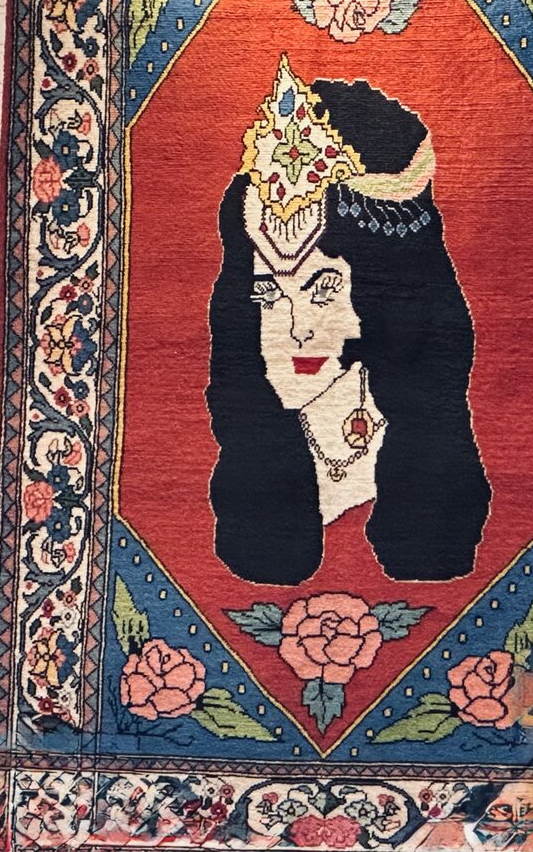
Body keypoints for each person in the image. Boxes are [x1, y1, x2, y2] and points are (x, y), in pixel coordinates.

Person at [207, 57, 490, 585]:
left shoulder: (424, 440)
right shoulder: (255, 442)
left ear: (384, 302)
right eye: (269, 294)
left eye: (324, 291)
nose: (298, 329)